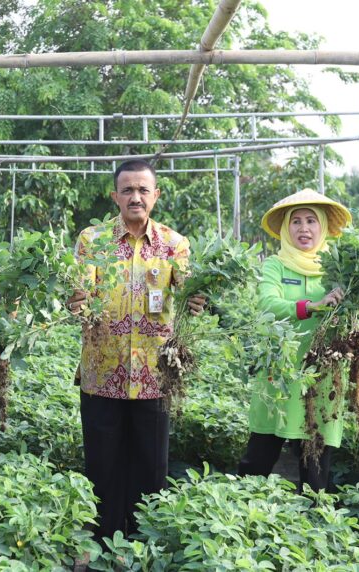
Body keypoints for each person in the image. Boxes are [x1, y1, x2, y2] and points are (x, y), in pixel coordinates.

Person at [67, 159, 205, 543]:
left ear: (155, 195)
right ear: (115, 196)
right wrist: (75, 300)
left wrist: (196, 300)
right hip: (102, 373)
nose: (135, 197)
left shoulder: (174, 244)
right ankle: (103, 547)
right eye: (127, 190)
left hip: (154, 376)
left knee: (150, 469)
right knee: (103, 469)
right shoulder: (92, 240)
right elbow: (78, 295)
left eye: (143, 190)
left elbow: (191, 292)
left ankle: (144, 547)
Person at [237, 188, 352, 492]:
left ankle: (314, 518)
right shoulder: (275, 265)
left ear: (323, 227)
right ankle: (242, 512)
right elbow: (267, 304)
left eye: (311, 221)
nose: (304, 228)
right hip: (279, 373)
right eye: (296, 221)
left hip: (321, 377)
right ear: (286, 228)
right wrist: (312, 306)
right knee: (258, 459)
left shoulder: (337, 269)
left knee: (315, 469)